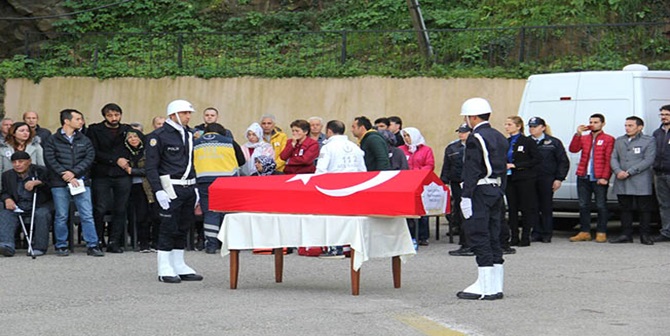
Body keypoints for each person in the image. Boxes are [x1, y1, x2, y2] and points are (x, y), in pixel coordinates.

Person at [145, 99, 203, 283]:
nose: (188, 116)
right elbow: (151, 167)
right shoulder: (159, 136)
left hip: (188, 186)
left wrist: (195, 189)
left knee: (183, 226)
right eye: (185, 113)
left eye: (189, 113)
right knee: (167, 227)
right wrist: (158, 190)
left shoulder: (188, 134)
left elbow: (190, 163)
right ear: (174, 115)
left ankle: (178, 264)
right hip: (170, 187)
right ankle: (164, 266)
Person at [457, 97, 507, 301]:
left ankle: (485, 286)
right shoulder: (499, 136)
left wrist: (465, 195)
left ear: (473, 117)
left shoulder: (475, 138)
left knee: (479, 234)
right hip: (496, 188)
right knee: (494, 234)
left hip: (480, 190)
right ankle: (496, 285)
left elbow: (472, 168)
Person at [43, 109, 104, 257]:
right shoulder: (53, 139)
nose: (81, 122)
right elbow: (50, 159)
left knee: (86, 214)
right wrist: (65, 174)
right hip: (59, 182)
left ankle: (92, 244)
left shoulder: (84, 139)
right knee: (62, 215)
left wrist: (74, 173)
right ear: (66, 121)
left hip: (81, 180)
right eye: (78, 119)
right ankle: (61, 245)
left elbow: (89, 158)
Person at [315, 120, 366, 257]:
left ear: (329, 131)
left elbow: (321, 170)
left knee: (333, 219)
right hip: (354, 187)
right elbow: (363, 170)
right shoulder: (355, 147)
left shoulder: (327, 147)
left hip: (334, 188)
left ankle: (335, 249)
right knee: (351, 219)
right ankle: (351, 248)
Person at [87, 103, 133, 253]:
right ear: (104, 116)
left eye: (117, 115)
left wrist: (127, 162)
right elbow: (93, 151)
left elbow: (135, 148)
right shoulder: (94, 130)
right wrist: (114, 160)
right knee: (100, 208)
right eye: (110, 115)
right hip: (102, 173)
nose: (114, 118)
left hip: (122, 174)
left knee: (120, 208)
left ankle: (115, 241)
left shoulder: (127, 129)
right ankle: (98, 240)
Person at [194, 123, 245, 254]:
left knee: (210, 212)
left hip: (205, 181)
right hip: (227, 181)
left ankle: (211, 245)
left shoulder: (196, 143)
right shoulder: (229, 142)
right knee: (228, 212)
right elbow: (242, 161)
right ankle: (230, 244)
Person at [568, 113, 615, 243]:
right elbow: (573, 149)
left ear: (602, 124)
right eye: (591, 122)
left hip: (599, 177)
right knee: (583, 205)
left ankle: (601, 231)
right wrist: (578, 134)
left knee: (601, 205)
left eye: (596, 122)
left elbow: (608, 159)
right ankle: (584, 231)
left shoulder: (608, 139)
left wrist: (605, 177)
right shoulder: (584, 138)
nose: (592, 124)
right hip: (583, 175)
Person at [609, 116, 656, 245]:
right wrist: (618, 171)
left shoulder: (649, 140)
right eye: (626, 125)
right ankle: (625, 234)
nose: (627, 128)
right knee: (625, 209)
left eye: (630, 125)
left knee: (644, 209)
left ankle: (645, 235)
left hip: (640, 180)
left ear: (640, 127)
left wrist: (630, 172)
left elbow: (648, 160)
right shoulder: (619, 140)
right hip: (622, 180)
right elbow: (613, 157)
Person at [0, 151, 52, 257]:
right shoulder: (7, 175)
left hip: (38, 204)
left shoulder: (41, 171)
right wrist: (7, 199)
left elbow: (52, 188)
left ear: (29, 162)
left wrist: (39, 183)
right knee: (6, 214)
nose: (17, 165)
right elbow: (4, 192)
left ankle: (39, 247)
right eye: (14, 162)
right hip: (18, 205)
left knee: (42, 214)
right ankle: (7, 246)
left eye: (21, 162)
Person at [528, 117, 569, 243]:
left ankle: (546, 233)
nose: (531, 129)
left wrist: (559, 178)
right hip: (530, 179)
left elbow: (563, 161)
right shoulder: (526, 142)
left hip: (547, 178)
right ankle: (536, 232)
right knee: (533, 207)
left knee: (546, 207)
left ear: (543, 127)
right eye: (530, 126)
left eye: (534, 126)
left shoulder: (553, 142)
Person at [503, 116, 541, 247]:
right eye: (506, 124)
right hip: (510, 178)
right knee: (512, 208)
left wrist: (516, 165)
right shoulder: (506, 142)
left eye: (509, 124)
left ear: (518, 126)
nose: (506, 127)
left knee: (526, 208)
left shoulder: (527, 142)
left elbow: (536, 159)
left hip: (525, 178)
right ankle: (513, 236)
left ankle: (525, 236)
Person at [123, 129, 159, 252]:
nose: (133, 139)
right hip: (133, 187)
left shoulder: (148, 151)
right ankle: (143, 242)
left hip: (149, 186)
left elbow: (151, 169)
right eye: (130, 137)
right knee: (140, 215)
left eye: (135, 136)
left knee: (155, 215)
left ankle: (155, 242)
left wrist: (133, 171)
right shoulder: (124, 153)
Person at [441, 123, 473, 256]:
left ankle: (470, 240)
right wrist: (443, 181)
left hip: (471, 182)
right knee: (459, 210)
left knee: (470, 211)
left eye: (464, 132)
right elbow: (446, 166)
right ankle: (462, 237)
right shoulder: (452, 147)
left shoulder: (475, 146)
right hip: (456, 182)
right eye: (459, 131)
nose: (461, 134)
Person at [400, 127, 435, 246]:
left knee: (422, 210)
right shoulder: (401, 150)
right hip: (406, 183)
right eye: (404, 136)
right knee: (408, 211)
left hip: (421, 183)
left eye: (408, 136)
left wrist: (416, 173)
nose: (406, 138)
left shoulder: (426, 150)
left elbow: (429, 165)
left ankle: (423, 236)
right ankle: (409, 235)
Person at [652, 106, 670, 243]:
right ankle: (666, 232)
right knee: (664, 204)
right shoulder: (657, 133)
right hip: (659, 173)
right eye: (662, 114)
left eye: (667, 114)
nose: (664, 117)